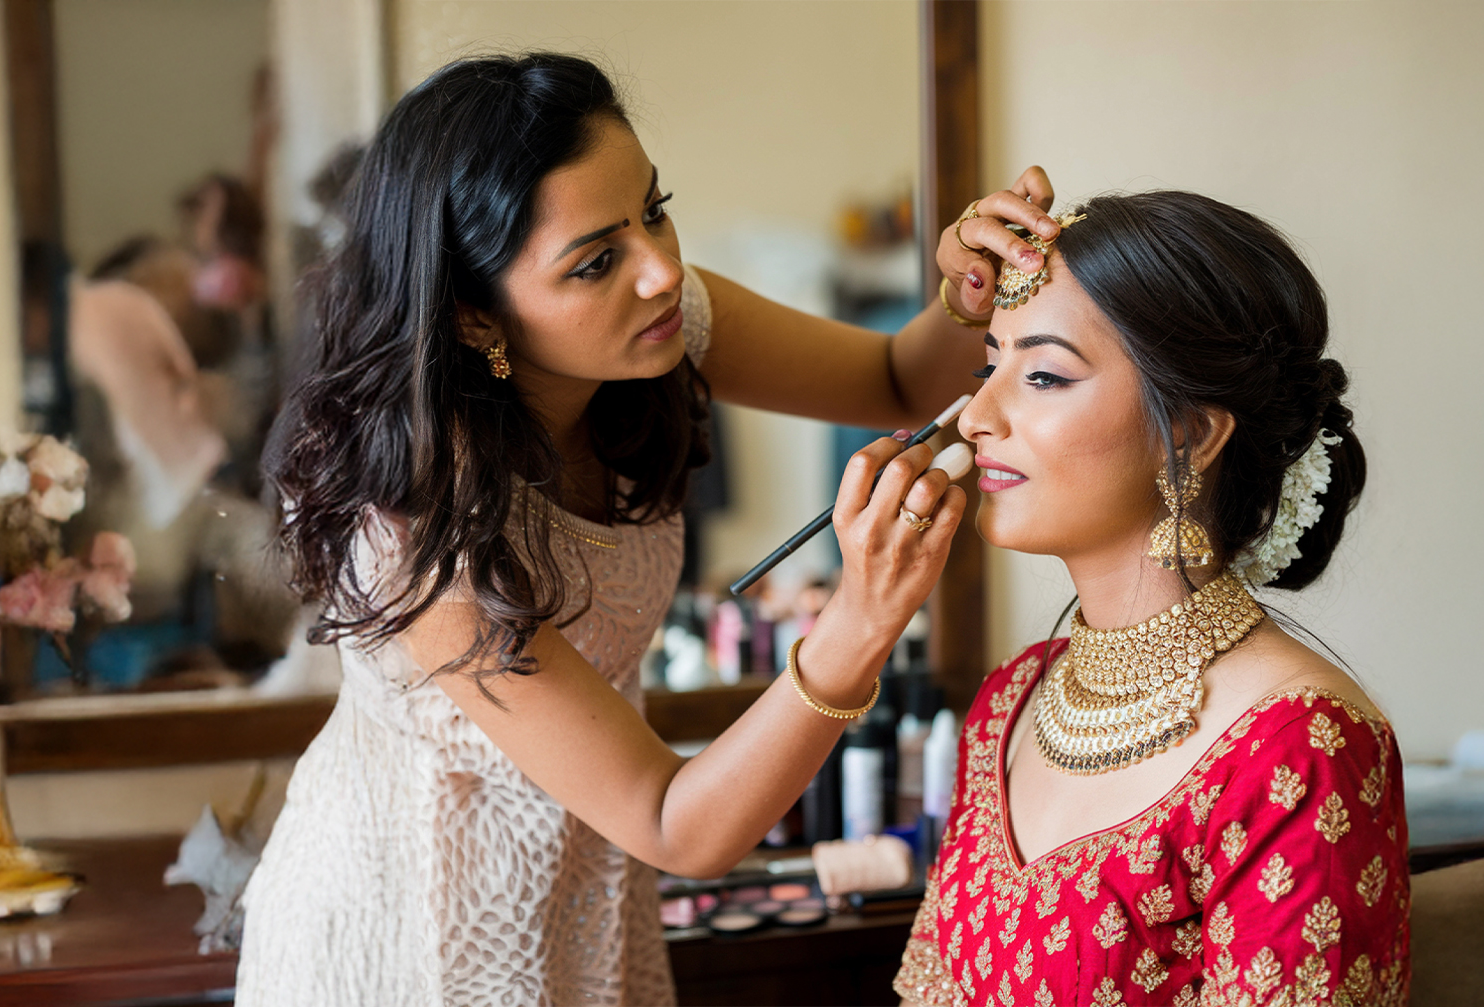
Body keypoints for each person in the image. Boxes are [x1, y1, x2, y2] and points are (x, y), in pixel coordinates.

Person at [238, 52, 1058, 1004]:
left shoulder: (661, 317)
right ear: (472, 317)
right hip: (415, 934)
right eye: (596, 261)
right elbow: (679, 825)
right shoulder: (414, 533)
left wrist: (966, 293)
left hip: (594, 896)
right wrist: (862, 615)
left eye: (654, 211)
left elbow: (892, 382)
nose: (661, 269)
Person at [893, 191, 1406, 1006]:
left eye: (1045, 375)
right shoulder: (1011, 702)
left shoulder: (1299, 747)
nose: (978, 417)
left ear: (1193, 434)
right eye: (988, 367)